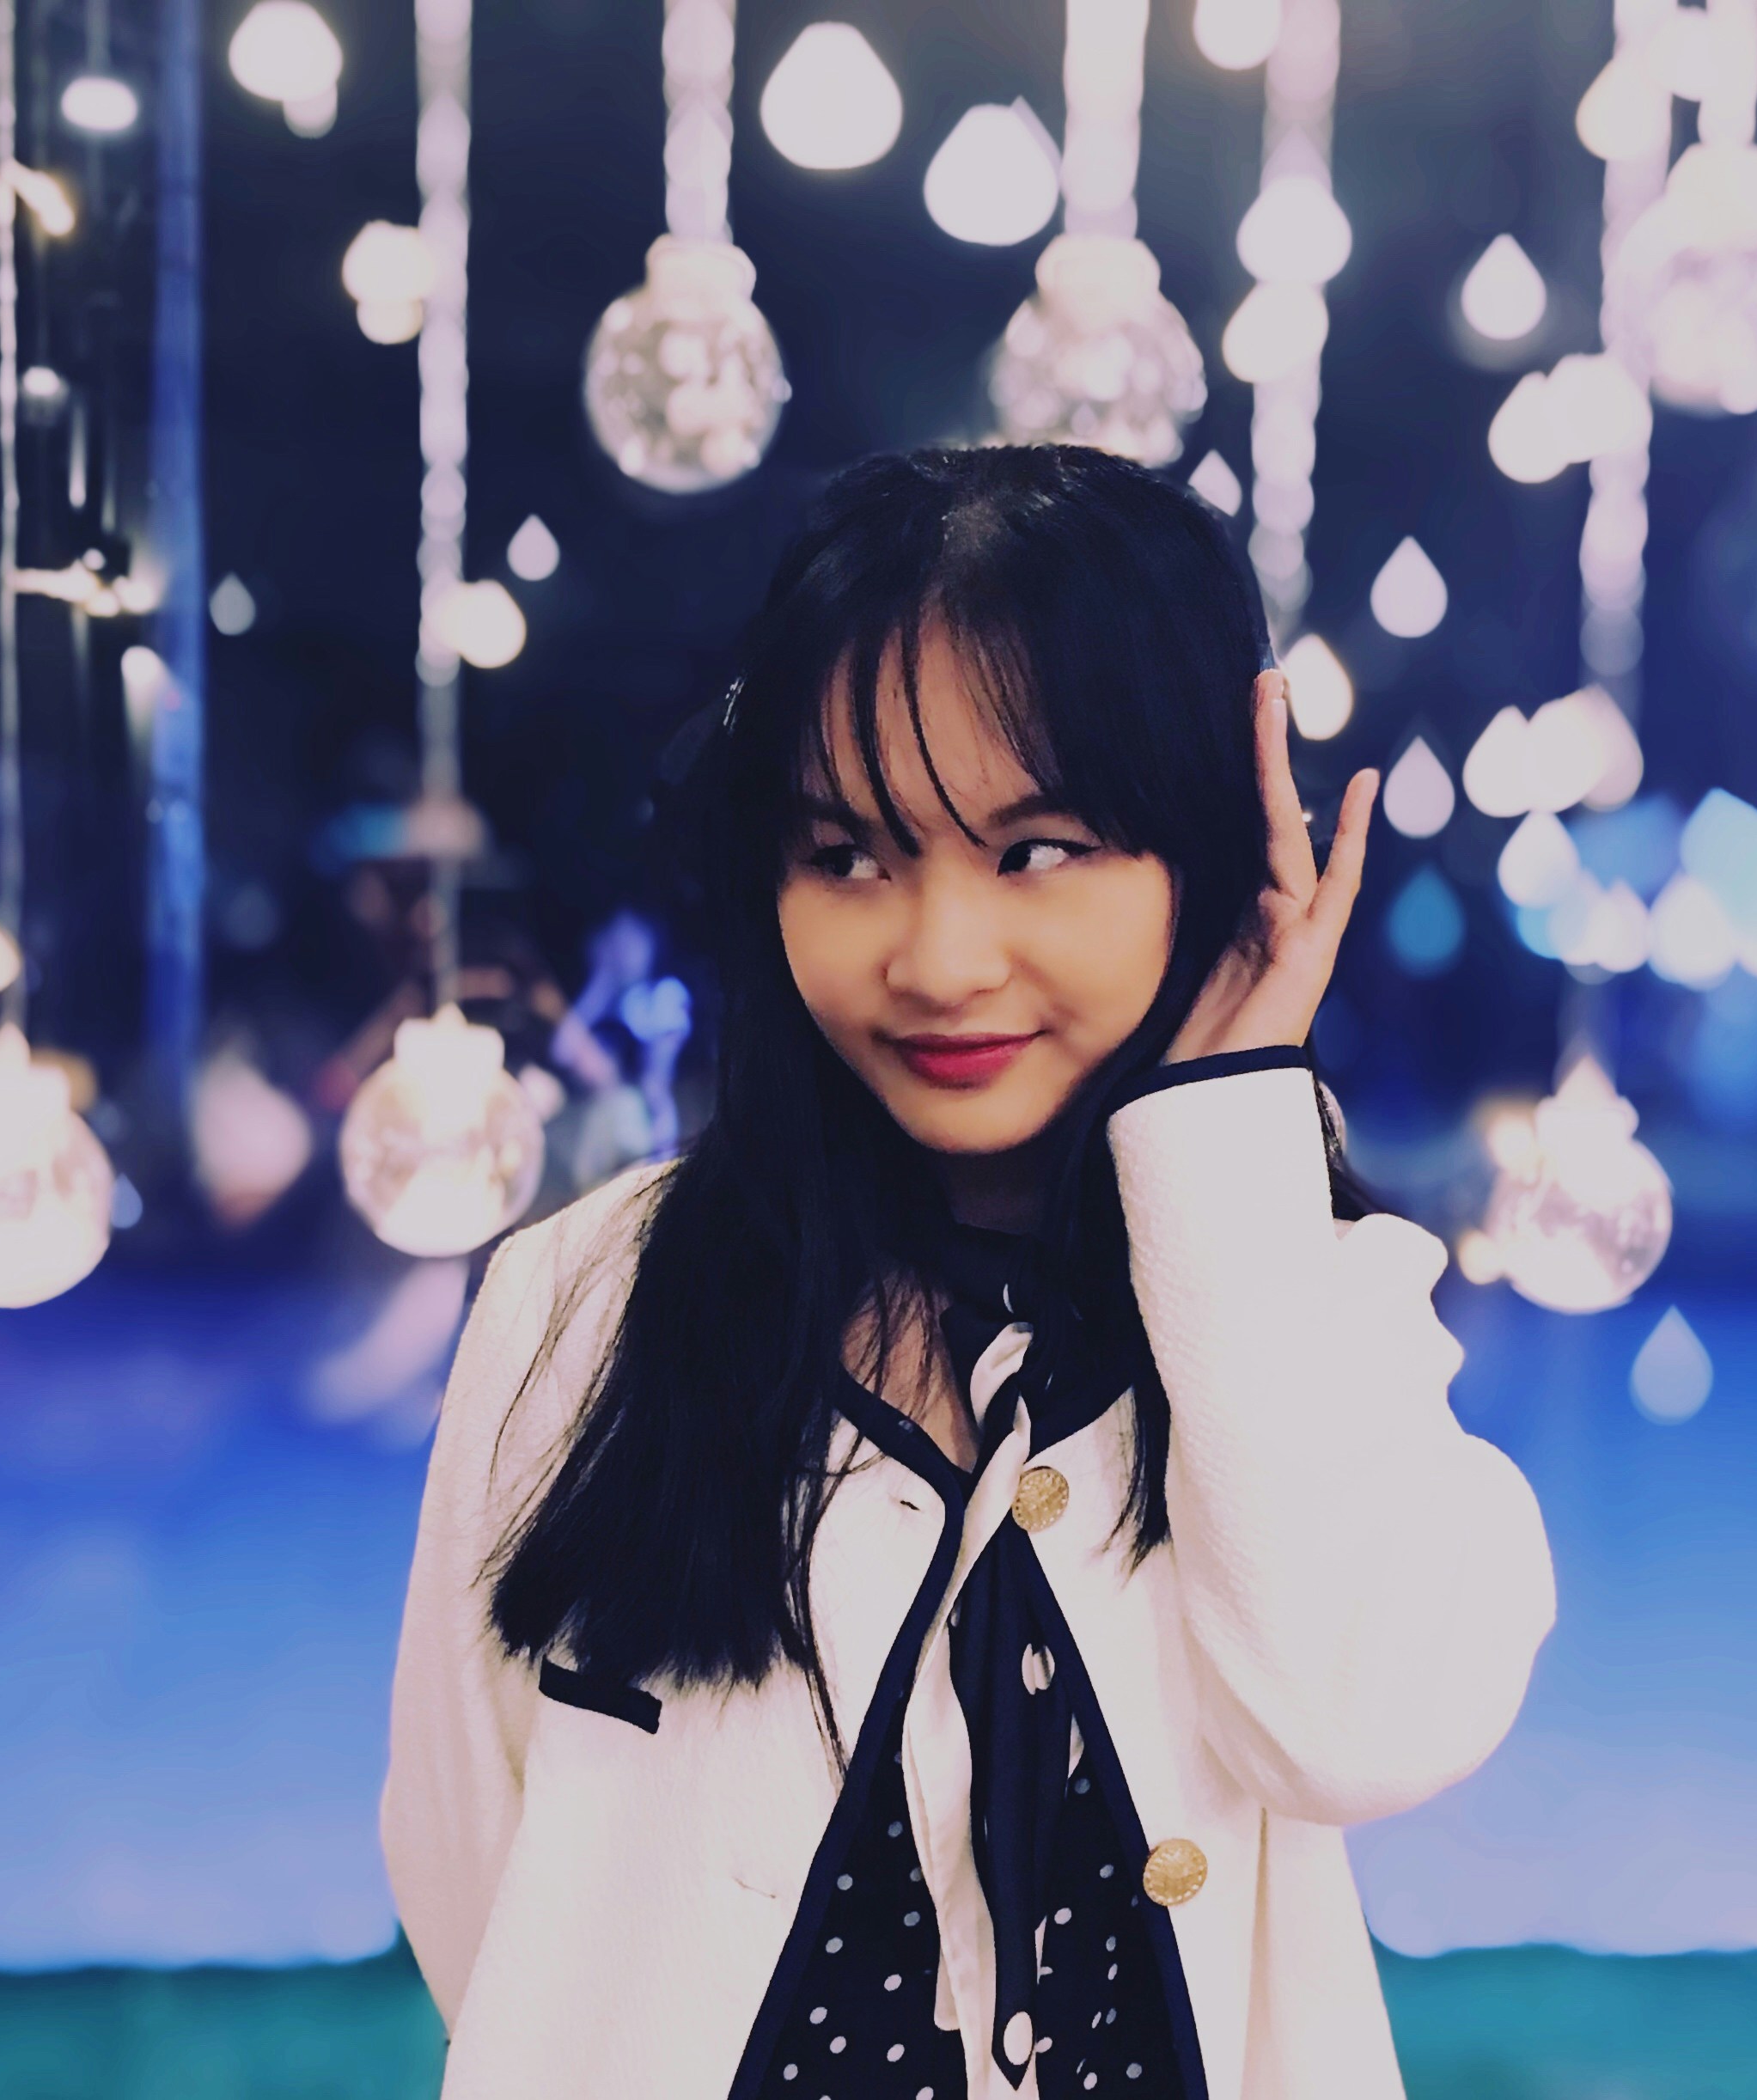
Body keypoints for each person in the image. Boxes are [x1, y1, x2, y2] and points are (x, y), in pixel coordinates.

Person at [381, 444, 1557, 2100]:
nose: (937, 962)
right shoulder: (583, 1302)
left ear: (1215, 851)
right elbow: (471, 1873)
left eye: (1038, 849)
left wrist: (1224, 1132)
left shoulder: (1300, 1304)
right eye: (847, 855)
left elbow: (1357, 1724)